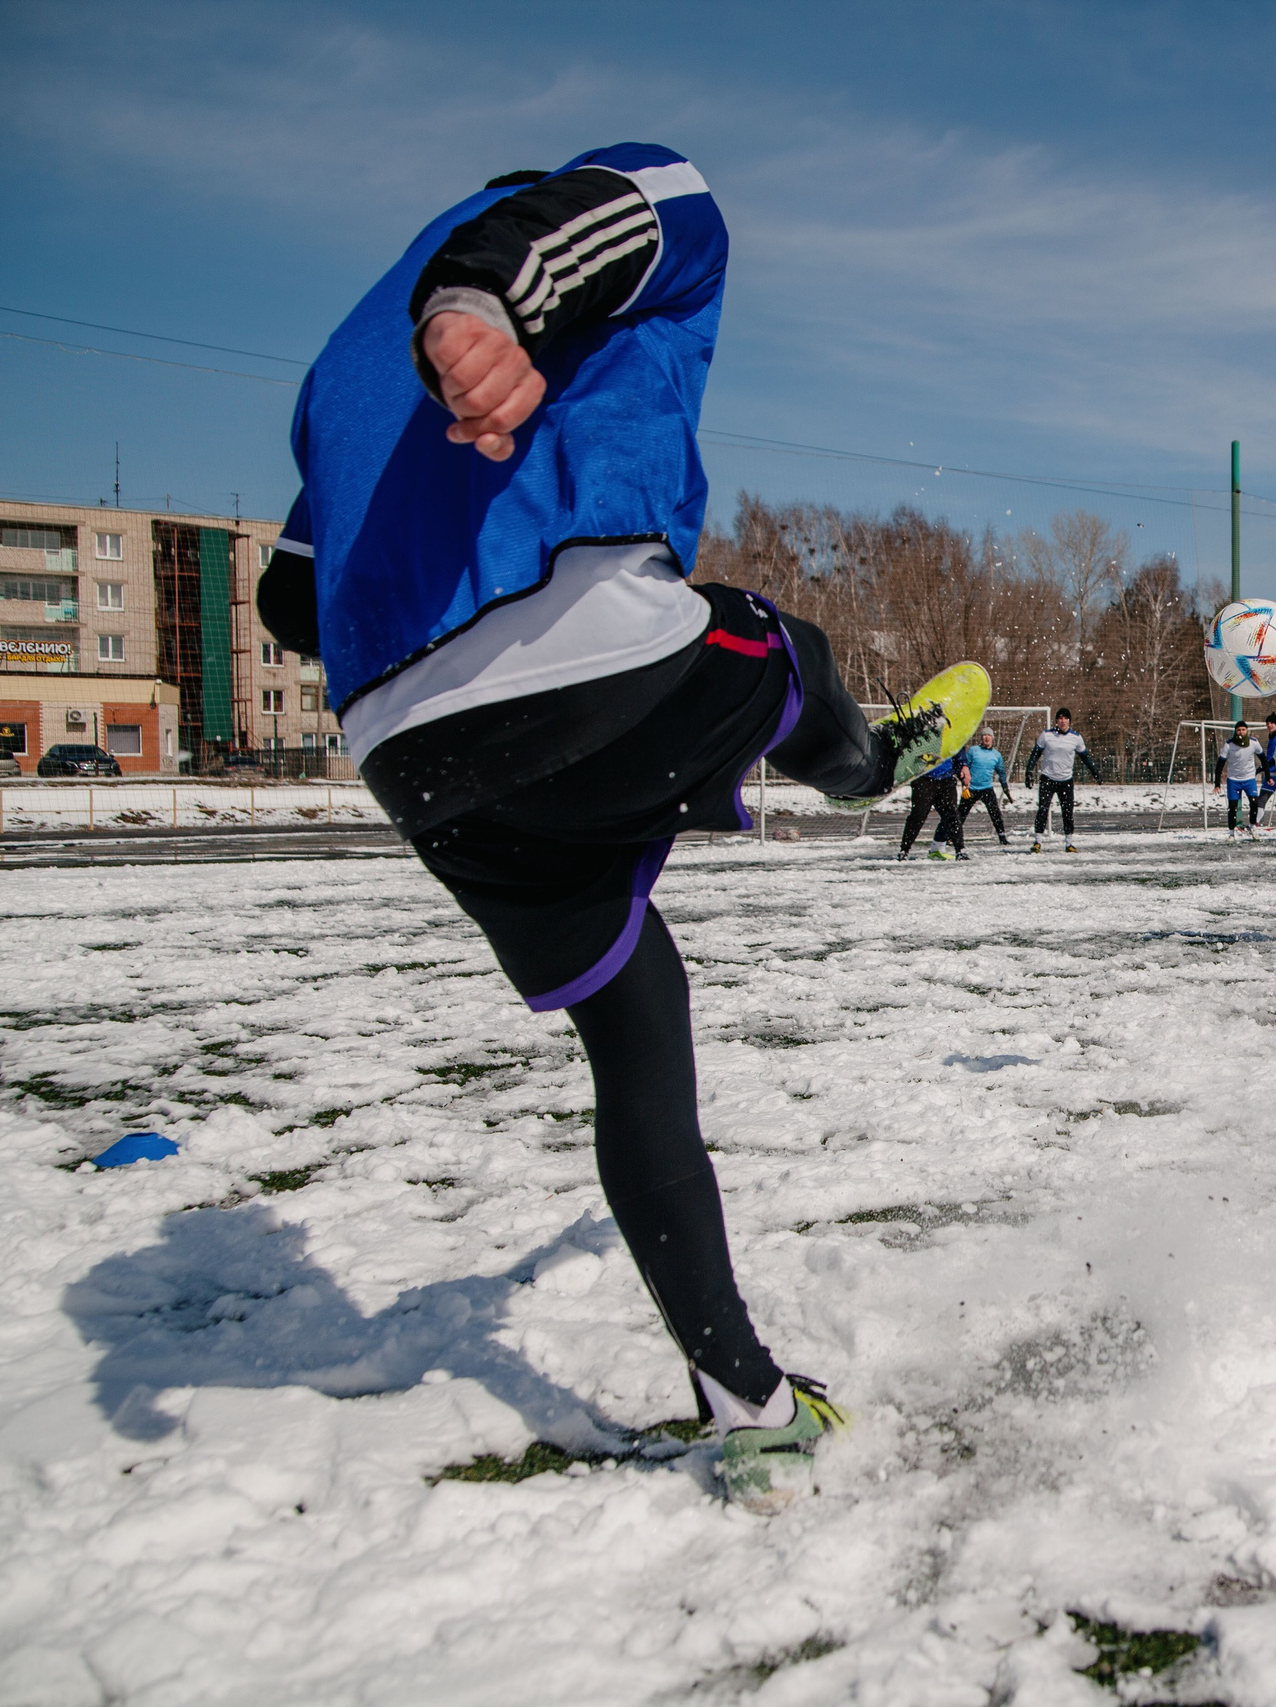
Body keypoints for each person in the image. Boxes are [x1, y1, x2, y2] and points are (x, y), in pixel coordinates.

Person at [255, 145, 975, 1512]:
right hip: (575, 638)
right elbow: (593, 224)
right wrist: (479, 302)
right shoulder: (637, 197)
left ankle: (749, 1398)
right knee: (783, 643)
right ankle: (867, 770)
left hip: (410, 754)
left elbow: (291, 600)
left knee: (635, 1017)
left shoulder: (330, 365)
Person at [1029, 708, 1101, 852]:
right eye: (1060, 718)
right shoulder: (1046, 735)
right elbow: (1035, 754)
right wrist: (1028, 771)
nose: (1063, 721)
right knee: (1043, 810)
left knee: (1067, 811)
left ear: (1069, 721)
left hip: (1066, 781)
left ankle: (1069, 843)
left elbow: (1085, 757)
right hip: (1048, 779)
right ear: (1056, 721)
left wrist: (1095, 771)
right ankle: (1037, 842)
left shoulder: (1076, 737)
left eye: (1065, 718)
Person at [951, 724, 1015, 846]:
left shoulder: (996, 755)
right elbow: (965, 767)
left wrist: (1005, 786)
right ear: (981, 738)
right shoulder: (973, 750)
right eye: (984, 735)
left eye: (989, 735)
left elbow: (1001, 772)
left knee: (995, 813)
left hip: (987, 788)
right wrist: (964, 783)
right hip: (972, 788)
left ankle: (1002, 837)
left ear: (992, 738)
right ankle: (951, 837)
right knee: (961, 814)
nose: (986, 737)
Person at [902, 746, 968, 860]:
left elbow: (958, 747)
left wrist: (963, 766)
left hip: (946, 779)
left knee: (952, 816)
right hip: (923, 778)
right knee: (918, 815)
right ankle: (904, 850)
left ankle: (960, 850)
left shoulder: (950, 731)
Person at [1216, 720, 1264, 836]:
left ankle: (1252, 827)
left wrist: (1267, 776)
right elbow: (1220, 764)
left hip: (1249, 779)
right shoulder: (1229, 744)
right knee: (1232, 807)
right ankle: (1231, 832)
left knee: (1254, 803)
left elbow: (1263, 759)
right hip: (1233, 780)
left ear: (1247, 730)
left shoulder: (1254, 743)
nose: (1241, 732)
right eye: (1238, 730)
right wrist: (1217, 783)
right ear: (1235, 731)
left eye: (1243, 730)